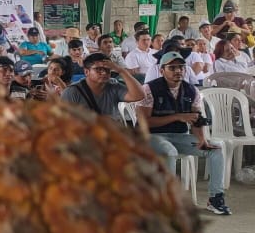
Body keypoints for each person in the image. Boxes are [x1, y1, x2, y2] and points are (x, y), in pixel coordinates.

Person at [137, 53, 231, 215]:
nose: (178, 71)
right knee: (169, 151)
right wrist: (177, 117)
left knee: (215, 149)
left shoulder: (191, 90)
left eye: (181, 67)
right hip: (151, 137)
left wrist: (202, 139)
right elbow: (144, 122)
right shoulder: (149, 89)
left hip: (179, 136)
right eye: (172, 68)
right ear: (162, 70)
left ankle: (215, 198)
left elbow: (196, 119)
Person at [60, 53, 143, 121]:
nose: (104, 73)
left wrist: (121, 71)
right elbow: (64, 121)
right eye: (98, 69)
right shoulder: (72, 92)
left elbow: (138, 95)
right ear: (86, 72)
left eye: (107, 69)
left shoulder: (113, 86)